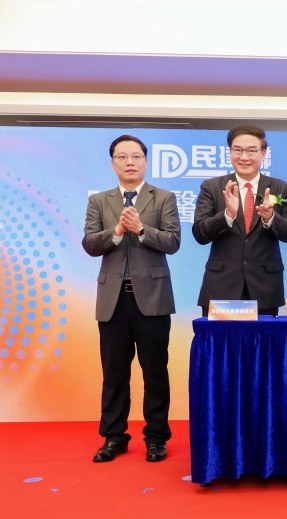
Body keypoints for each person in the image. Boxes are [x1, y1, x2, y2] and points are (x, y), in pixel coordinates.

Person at [82, 135, 181, 463]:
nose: (129, 162)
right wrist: (116, 232)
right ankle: (114, 437)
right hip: (113, 300)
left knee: (155, 372)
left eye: (136, 156)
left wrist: (140, 229)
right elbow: (90, 244)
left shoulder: (164, 198)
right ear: (113, 163)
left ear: (145, 161)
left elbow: (172, 242)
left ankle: (156, 437)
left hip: (152, 297)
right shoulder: (99, 201)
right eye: (122, 157)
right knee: (114, 374)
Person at [193, 125, 287, 316]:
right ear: (230, 152)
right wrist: (227, 215)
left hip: (265, 289)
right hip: (221, 287)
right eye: (238, 150)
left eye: (251, 151)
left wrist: (271, 218)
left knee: (263, 337)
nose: (244, 157)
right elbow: (200, 234)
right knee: (220, 337)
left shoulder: (281, 188)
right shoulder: (212, 187)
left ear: (263, 153)